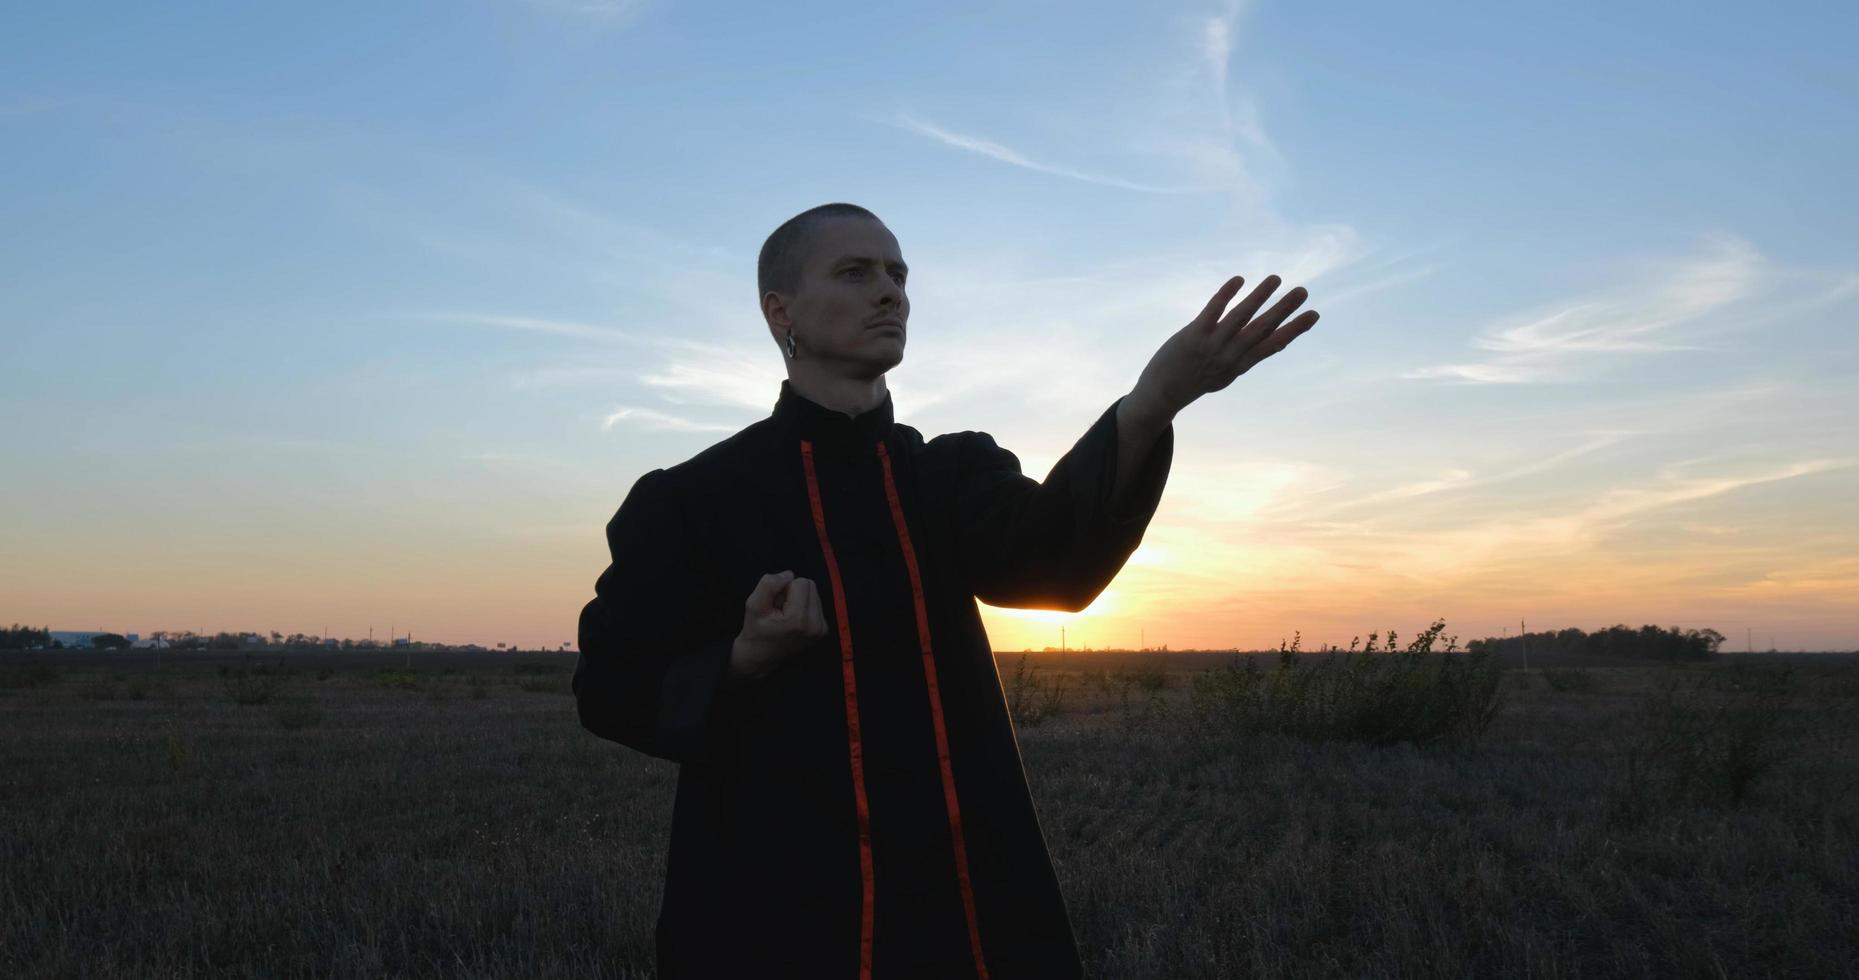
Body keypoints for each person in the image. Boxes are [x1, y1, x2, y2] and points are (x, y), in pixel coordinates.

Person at [574, 202, 1320, 979]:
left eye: (897, 274)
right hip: (776, 909)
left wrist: (1152, 402)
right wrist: (742, 658)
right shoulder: (691, 500)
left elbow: (1056, 566)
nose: (890, 293)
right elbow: (609, 689)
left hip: (966, 903)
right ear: (779, 310)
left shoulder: (949, 475)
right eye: (855, 272)